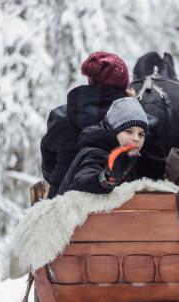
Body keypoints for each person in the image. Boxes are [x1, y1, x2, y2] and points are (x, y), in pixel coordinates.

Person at [41, 51, 133, 198]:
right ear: (124, 83)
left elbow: (48, 168)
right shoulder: (137, 123)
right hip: (123, 211)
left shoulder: (59, 119)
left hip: (63, 208)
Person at [56, 97, 148, 195]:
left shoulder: (127, 158)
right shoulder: (96, 152)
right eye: (129, 131)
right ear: (113, 130)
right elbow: (83, 181)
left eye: (141, 134)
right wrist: (108, 179)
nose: (136, 138)